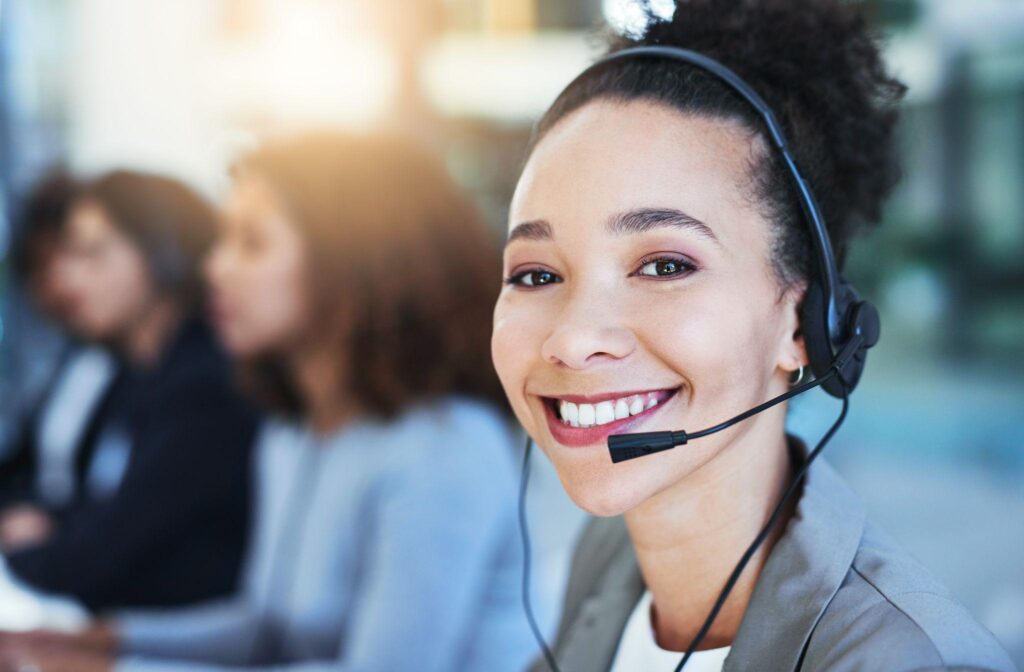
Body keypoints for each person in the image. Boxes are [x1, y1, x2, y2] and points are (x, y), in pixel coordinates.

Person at [491, 1, 1015, 670]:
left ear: (806, 326)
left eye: (665, 265)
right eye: (536, 274)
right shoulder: (609, 562)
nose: (572, 339)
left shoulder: (904, 659)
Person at [0, 132, 539, 672]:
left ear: (352, 259)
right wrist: (97, 641)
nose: (215, 268)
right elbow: (266, 631)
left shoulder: (443, 449)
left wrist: (108, 669)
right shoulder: (294, 431)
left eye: (251, 243)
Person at [1, 170, 257, 613]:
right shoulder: (133, 373)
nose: (65, 276)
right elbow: (96, 508)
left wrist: (21, 550)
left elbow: (109, 552)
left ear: (164, 253)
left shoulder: (204, 384)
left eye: (92, 253)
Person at [0, 168, 117, 520]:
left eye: (87, 254)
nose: (62, 280)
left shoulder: (154, 370)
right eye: (40, 269)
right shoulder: (76, 354)